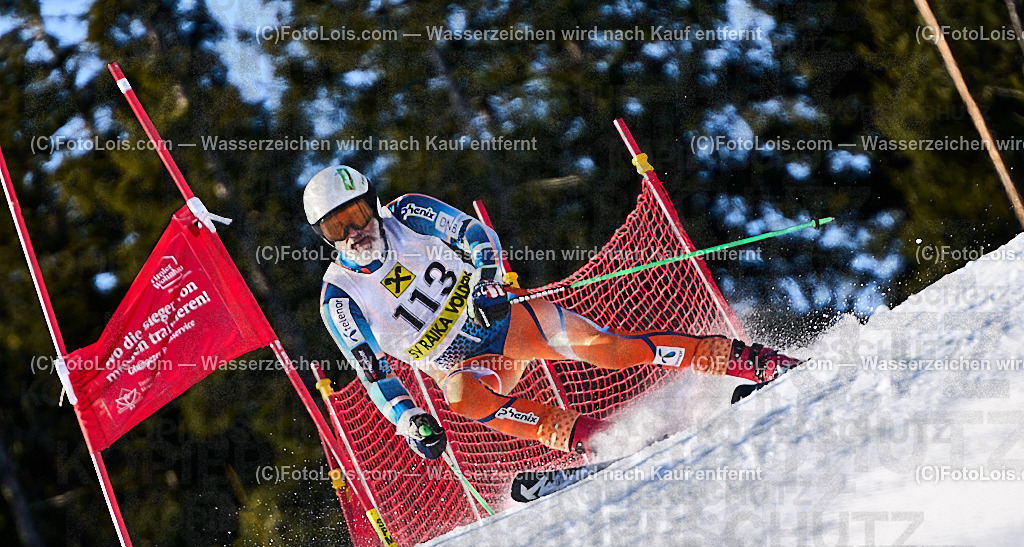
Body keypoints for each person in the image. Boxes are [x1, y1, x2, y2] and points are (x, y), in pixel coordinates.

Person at [306, 166, 799, 459]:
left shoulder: (407, 213)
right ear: (323, 236)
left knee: (611, 350)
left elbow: (476, 235)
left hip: (504, 321)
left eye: (357, 215)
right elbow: (374, 371)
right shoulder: (339, 297)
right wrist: (410, 420)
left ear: (372, 204)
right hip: (467, 364)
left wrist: (486, 282)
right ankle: (594, 440)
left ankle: (752, 362)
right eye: (336, 228)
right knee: (461, 398)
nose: (353, 232)